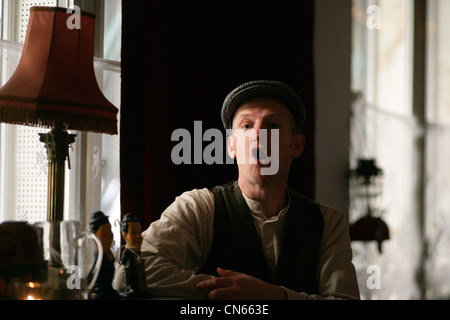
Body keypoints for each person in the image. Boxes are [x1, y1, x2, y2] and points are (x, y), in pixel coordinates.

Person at [140, 80, 360, 300]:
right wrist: (229, 292)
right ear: (232, 146)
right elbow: (131, 273)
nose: (258, 135)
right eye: (246, 126)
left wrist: (275, 296)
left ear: (297, 146)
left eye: (273, 125)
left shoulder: (328, 223)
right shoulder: (200, 208)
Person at [114, 213, 150, 299]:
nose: (138, 236)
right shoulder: (128, 253)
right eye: (133, 232)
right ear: (124, 235)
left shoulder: (139, 253)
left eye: (139, 231)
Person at [88, 211, 120, 300]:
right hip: (100, 290)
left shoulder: (108, 252)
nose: (110, 233)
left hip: (108, 288)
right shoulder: (99, 255)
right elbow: (94, 270)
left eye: (110, 229)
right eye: (105, 231)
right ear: (94, 234)